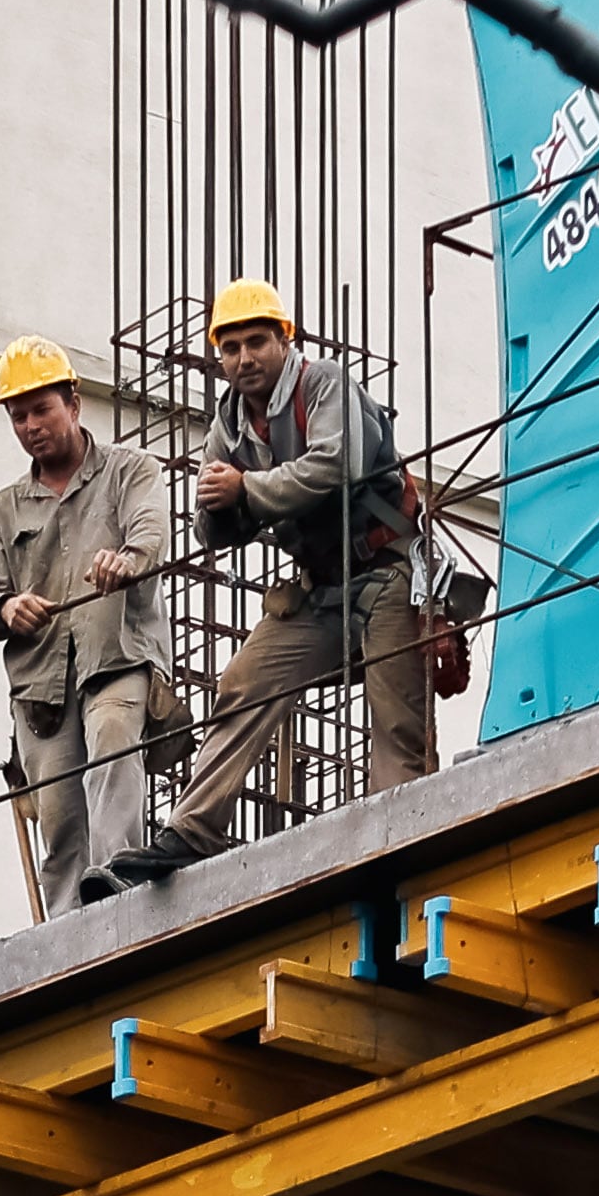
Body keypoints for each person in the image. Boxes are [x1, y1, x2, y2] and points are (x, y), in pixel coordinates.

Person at [84, 280, 431, 899]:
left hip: (387, 566)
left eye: (257, 342)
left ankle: (401, 842)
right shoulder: (229, 423)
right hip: (322, 585)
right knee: (244, 681)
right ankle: (194, 828)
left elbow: (338, 464)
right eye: (231, 347)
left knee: (397, 720)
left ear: (284, 340)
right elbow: (214, 530)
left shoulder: (324, 384)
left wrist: (245, 488)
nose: (244, 358)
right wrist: (221, 506)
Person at [0, 336, 172, 915]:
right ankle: (66, 934)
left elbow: (151, 532)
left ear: (74, 403)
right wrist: (5, 609)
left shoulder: (130, 471)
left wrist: (127, 561)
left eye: (41, 409)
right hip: (42, 687)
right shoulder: (5, 509)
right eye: (18, 416)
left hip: (117, 654)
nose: (31, 426)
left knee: (113, 747)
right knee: (57, 817)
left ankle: (120, 890)